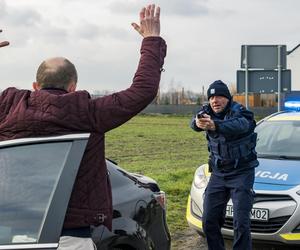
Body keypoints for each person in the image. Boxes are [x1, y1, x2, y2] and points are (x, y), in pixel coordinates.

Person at [0, 4, 166, 250]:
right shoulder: (89, 112)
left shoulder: (7, 106)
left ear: (35, 85)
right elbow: (142, 91)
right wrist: (152, 40)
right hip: (71, 237)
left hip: (11, 234)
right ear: (72, 86)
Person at [191, 80, 258, 250]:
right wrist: (197, 123)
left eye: (219, 96)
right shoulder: (206, 111)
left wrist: (215, 125)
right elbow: (194, 122)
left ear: (228, 98)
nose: (215, 100)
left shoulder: (240, 111)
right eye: (212, 97)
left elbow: (241, 125)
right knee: (208, 220)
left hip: (242, 173)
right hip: (219, 174)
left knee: (241, 223)